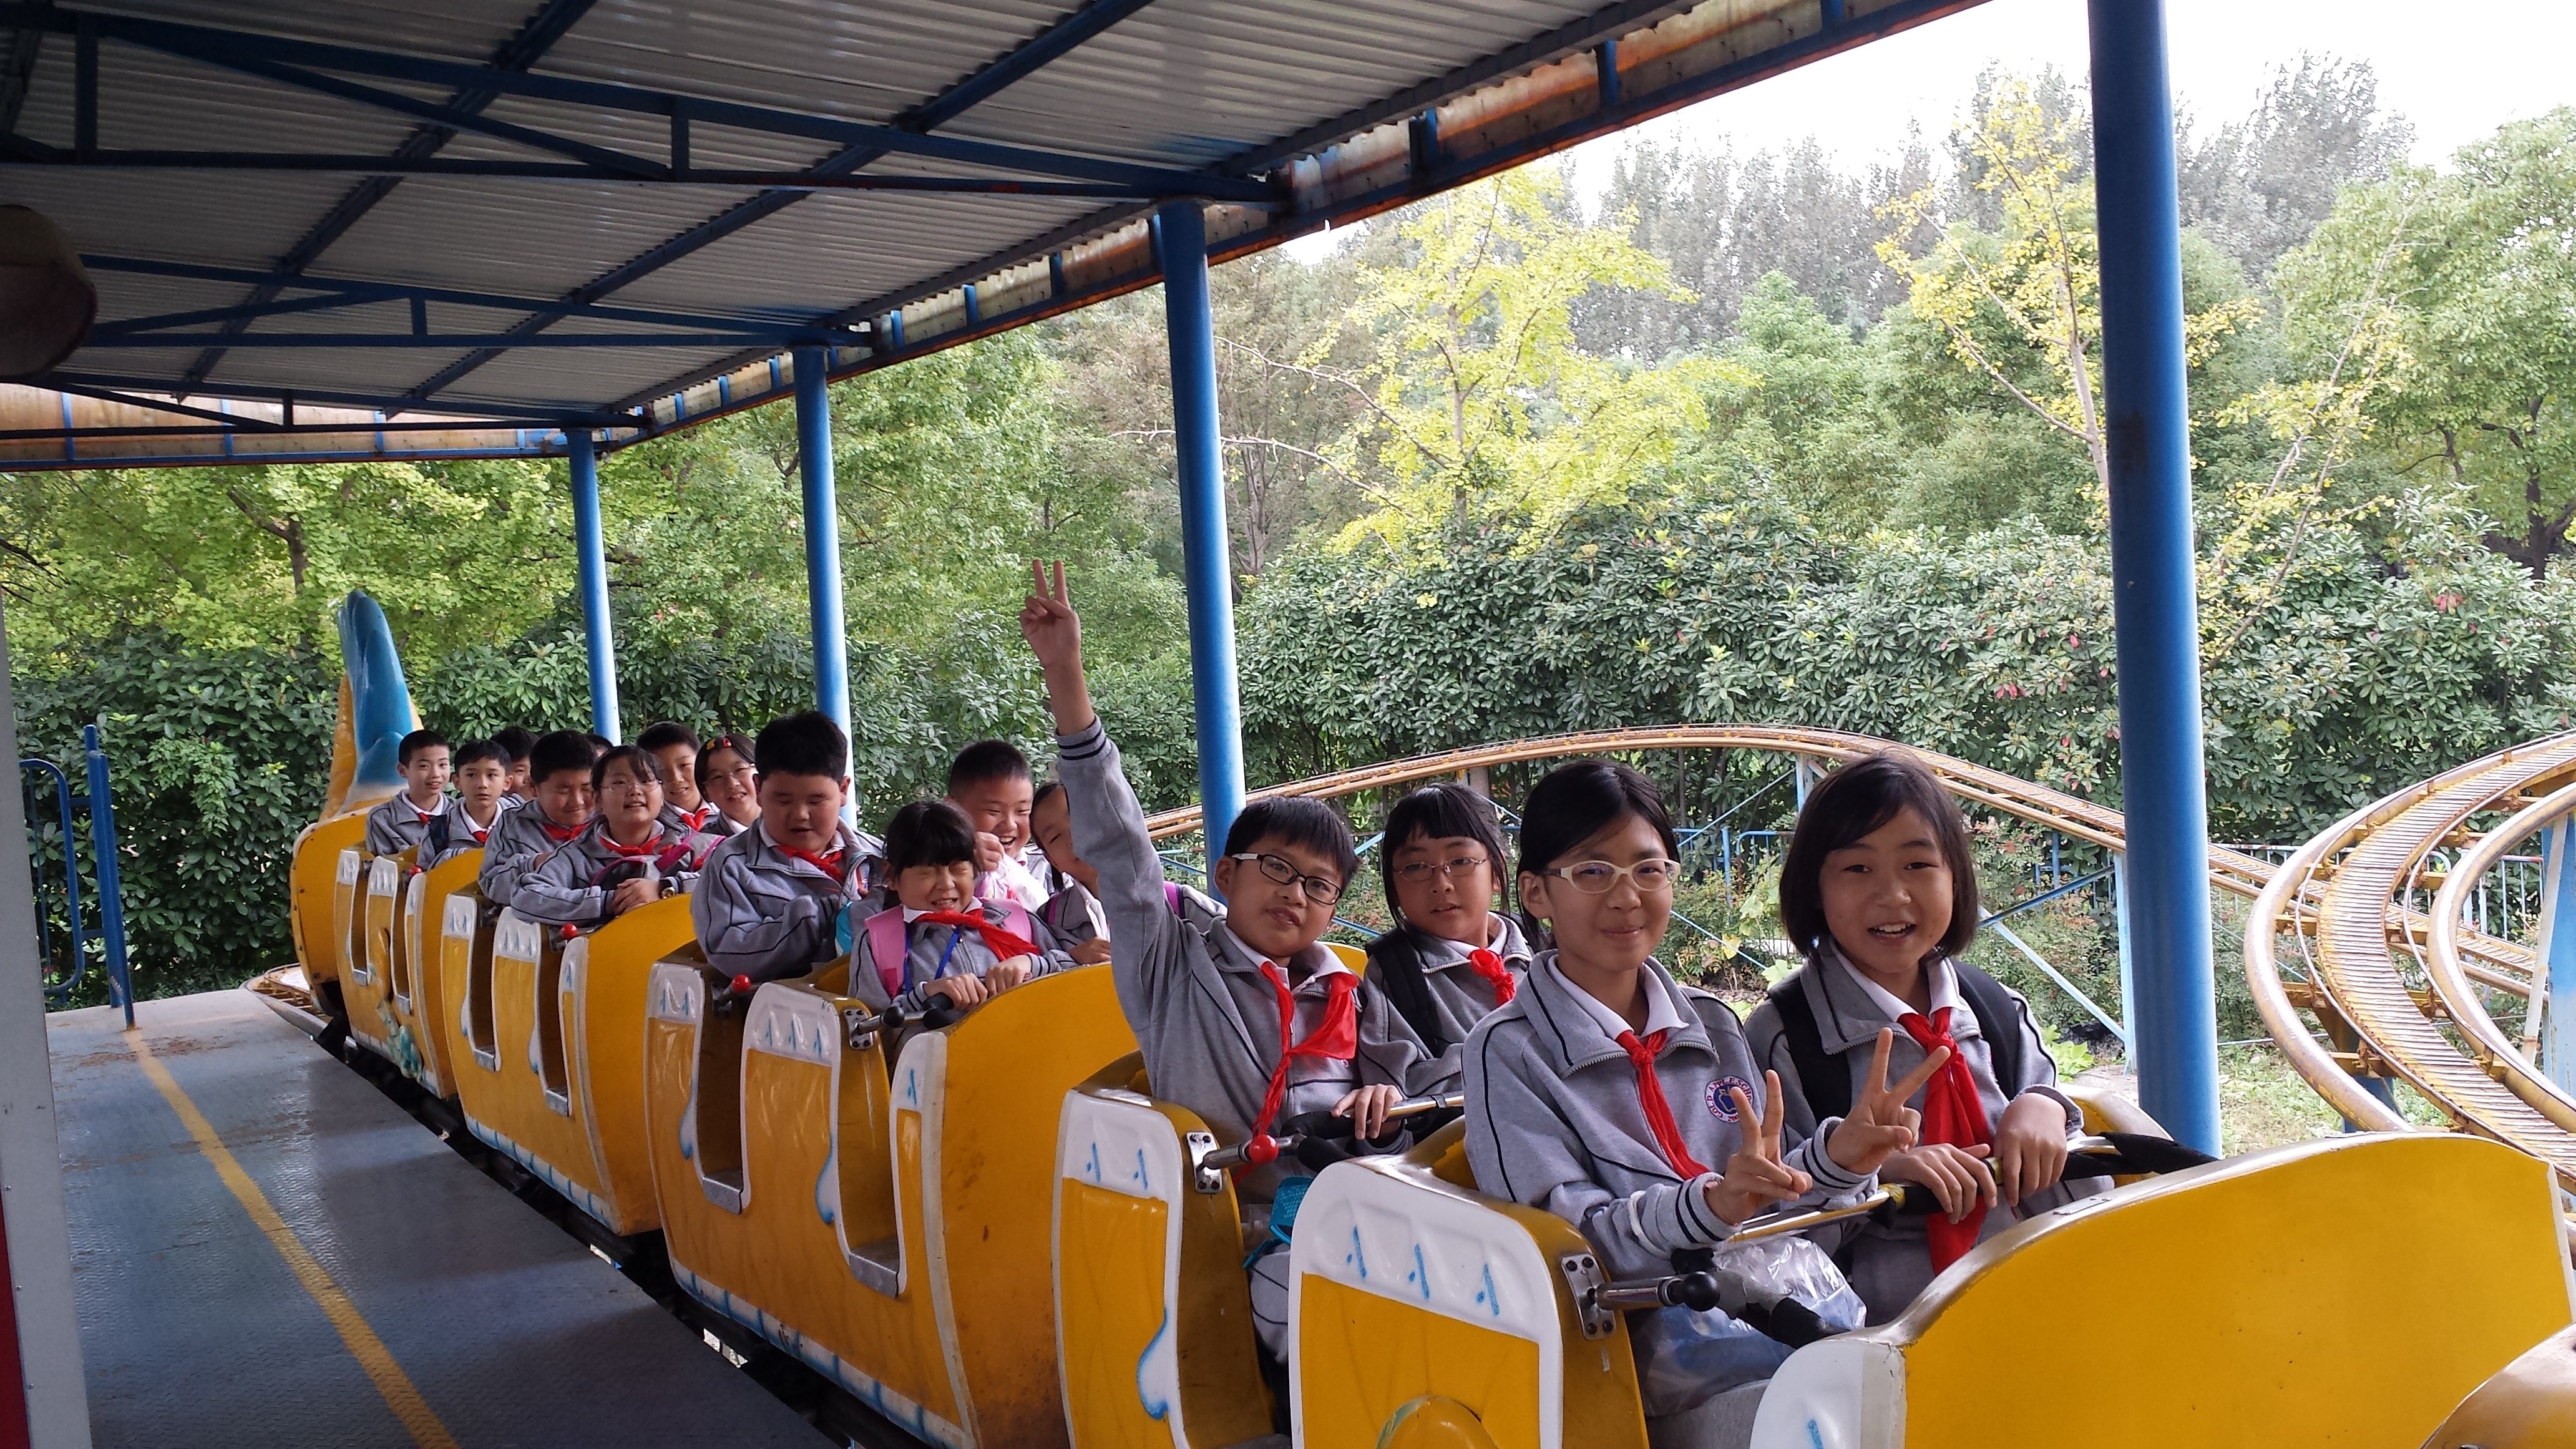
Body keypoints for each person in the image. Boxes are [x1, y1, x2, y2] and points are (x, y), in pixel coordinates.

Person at [1022, 560, 1429, 1360]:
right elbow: (1123, 852)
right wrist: (1067, 677)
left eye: (1318, 884)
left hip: (1357, 1213)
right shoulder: (1171, 967)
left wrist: (1387, 1096)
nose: (1295, 894)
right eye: (1275, 868)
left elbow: (1416, 1083)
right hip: (1233, 1230)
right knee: (1337, 1324)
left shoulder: (1347, 988)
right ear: (1225, 875)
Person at [1463, 759, 1940, 1413]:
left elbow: (1772, 1203)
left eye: (1648, 870)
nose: (1627, 897)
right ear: (1537, 893)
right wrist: (1712, 1206)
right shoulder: (1509, 1051)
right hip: (1630, 1377)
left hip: (1773, 1330)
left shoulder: (1711, 1022)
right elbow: (1565, 1255)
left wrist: (1840, 1161)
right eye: (1593, 871)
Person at [1745, 749, 2094, 1324]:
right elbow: (1771, 1220)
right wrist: (1875, 1172)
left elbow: (2067, 1140)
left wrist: (2044, 1106)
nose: (1893, 895)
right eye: (1858, 869)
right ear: (1814, 888)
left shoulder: (1993, 1009)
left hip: (2042, 1299)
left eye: (1917, 865)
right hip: (1888, 1333)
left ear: (1955, 878)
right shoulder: (1786, 1040)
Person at [691, 711, 886, 987]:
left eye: (816, 801)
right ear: (759, 789)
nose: (800, 815)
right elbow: (729, 952)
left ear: (843, 790)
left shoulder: (879, 857)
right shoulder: (732, 867)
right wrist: (815, 917)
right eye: (783, 800)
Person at [1363, 783, 1530, 1093]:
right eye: (1416, 867)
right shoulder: (1394, 975)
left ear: (1497, 873)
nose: (1441, 883)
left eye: (1461, 861)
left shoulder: (1548, 952)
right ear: (1395, 888)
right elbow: (1399, 1090)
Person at [847, 800, 1071, 1018]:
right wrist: (924, 996)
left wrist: (1032, 964)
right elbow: (864, 1028)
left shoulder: (1014, 919)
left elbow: (1077, 971)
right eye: (927, 872)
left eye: (958, 869)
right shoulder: (878, 942)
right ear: (891, 875)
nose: (947, 884)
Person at [513, 746, 719, 929]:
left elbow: (726, 882)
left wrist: (666, 888)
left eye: (646, 781)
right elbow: (526, 896)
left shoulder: (694, 846)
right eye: (620, 783)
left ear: (662, 793)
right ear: (598, 800)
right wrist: (610, 901)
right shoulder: (577, 857)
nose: (635, 790)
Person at [478, 731, 599, 911]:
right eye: (564, 791)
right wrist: (534, 864)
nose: (577, 801)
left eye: (587, 788)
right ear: (533, 787)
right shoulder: (514, 825)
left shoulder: (607, 821)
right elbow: (492, 883)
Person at [948, 738, 1050, 912]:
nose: (1010, 825)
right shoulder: (933, 868)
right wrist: (962, 854)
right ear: (953, 810)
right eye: (993, 811)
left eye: (1022, 811)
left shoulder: (1049, 867)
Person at [420, 738, 517, 869]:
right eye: (472, 775)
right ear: (457, 781)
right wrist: (459, 856)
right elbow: (422, 877)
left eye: (491, 775)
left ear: (507, 782)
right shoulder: (438, 830)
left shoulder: (520, 825)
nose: (482, 784)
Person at [363, 729, 452, 857]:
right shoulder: (383, 818)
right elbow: (379, 866)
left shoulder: (461, 812)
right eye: (424, 766)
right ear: (403, 771)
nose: (435, 774)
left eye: (442, 765)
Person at [639, 721, 726, 836]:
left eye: (684, 765)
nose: (676, 778)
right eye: (661, 771)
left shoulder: (727, 808)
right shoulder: (648, 827)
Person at [696, 732, 759, 834]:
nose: (732, 784)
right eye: (718, 777)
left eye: (740, 770)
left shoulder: (786, 825)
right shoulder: (705, 842)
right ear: (705, 792)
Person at [492, 726, 537, 802]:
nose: (529, 779)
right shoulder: (492, 804)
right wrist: (520, 799)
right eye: (520, 771)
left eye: (535, 769)